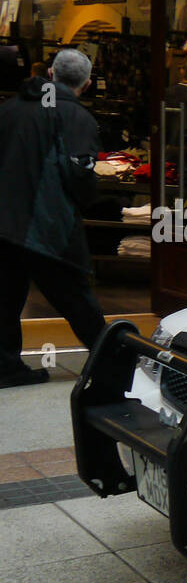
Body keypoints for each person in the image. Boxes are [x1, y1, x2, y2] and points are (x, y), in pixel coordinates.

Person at [0, 49, 106, 389]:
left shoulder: (10, 108)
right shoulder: (76, 118)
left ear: (50, 73)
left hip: (4, 220)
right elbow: (79, 172)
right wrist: (88, 201)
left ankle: (6, 367)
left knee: (5, 296)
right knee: (74, 295)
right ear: (88, 83)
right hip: (43, 223)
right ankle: (110, 359)